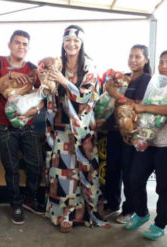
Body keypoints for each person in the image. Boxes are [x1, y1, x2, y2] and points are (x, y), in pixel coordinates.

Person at [125, 50, 167, 240]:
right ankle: (141, 213)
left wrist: (145, 107)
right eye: (161, 62)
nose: (163, 66)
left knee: (164, 185)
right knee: (134, 178)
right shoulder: (154, 83)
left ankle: (160, 224)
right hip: (148, 140)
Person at [45, 25, 108, 233]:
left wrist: (63, 81)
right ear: (63, 43)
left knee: (85, 173)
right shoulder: (56, 64)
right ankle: (64, 215)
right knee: (62, 173)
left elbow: (85, 97)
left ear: (82, 44)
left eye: (76, 41)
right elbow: (48, 91)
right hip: (61, 127)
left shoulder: (89, 67)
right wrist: (47, 80)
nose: (71, 44)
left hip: (82, 132)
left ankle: (86, 213)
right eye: (68, 40)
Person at [0, 30, 44, 225]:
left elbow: (43, 98)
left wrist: (32, 112)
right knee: (11, 169)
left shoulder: (33, 69)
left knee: (35, 165)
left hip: (28, 125)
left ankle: (31, 198)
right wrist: (9, 75)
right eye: (17, 43)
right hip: (4, 126)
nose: (21, 46)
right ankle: (15, 203)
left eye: (25, 44)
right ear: (9, 44)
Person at [103, 44, 152, 223]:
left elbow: (137, 105)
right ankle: (112, 204)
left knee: (129, 171)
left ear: (146, 60)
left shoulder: (146, 79)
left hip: (131, 132)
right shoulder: (124, 78)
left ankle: (129, 209)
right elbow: (110, 102)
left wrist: (115, 93)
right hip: (115, 130)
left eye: (138, 57)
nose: (133, 60)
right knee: (113, 169)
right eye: (131, 56)